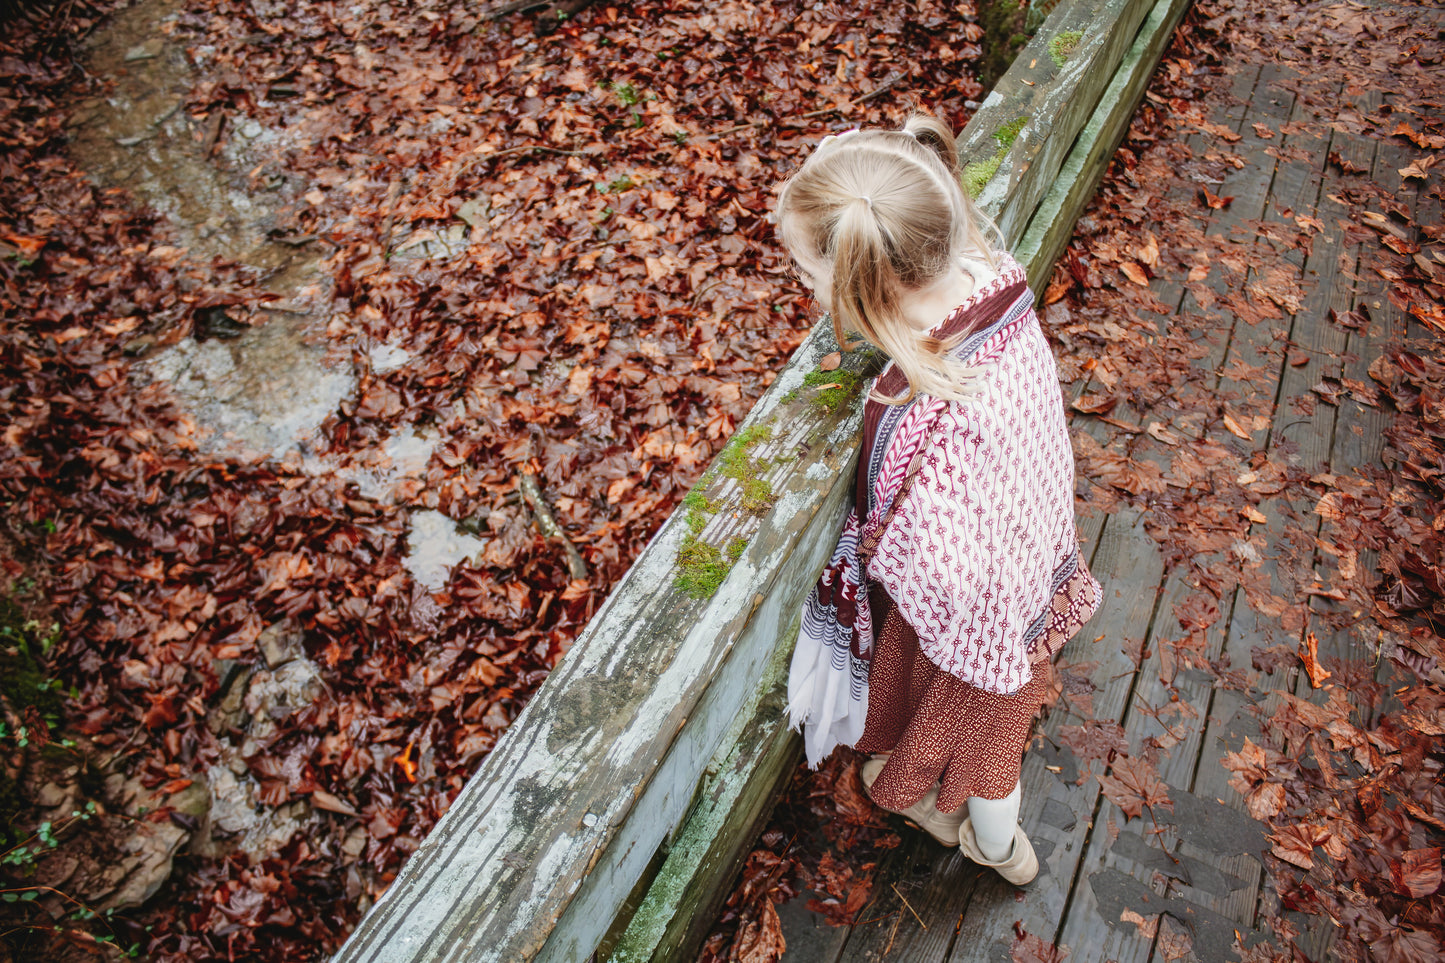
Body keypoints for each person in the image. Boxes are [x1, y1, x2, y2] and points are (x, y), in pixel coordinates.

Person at [778, 115, 1100, 886]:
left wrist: (882, 545)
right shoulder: (990, 285)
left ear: (864, 283)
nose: (804, 286)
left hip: (987, 614)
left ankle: (997, 846)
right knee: (944, 691)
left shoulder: (951, 417)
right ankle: (948, 793)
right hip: (1026, 555)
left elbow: (947, 575)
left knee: (990, 750)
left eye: (808, 276)